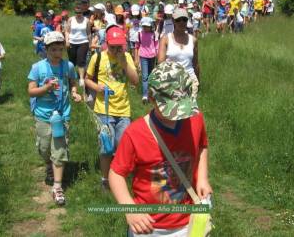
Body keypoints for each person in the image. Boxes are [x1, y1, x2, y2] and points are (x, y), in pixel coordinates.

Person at [109, 61, 212, 237]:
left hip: (189, 222)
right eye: (171, 109)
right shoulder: (135, 133)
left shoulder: (195, 119)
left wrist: (202, 178)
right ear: (151, 98)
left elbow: (202, 146)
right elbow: (116, 173)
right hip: (149, 227)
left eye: (182, 106)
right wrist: (130, 208)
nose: (178, 115)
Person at [28, 31, 82, 205]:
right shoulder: (38, 67)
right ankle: (48, 164)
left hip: (62, 115)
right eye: (53, 50)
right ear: (46, 49)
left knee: (59, 149)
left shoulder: (69, 66)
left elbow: (72, 82)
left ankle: (57, 187)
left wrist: (74, 93)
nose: (57, 53)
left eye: (60, 49)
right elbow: (31, 90)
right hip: (43, 116)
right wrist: (46, 88)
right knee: (44, 148)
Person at [85, 25, 139, 189]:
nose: (116, 49)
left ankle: (119, 178)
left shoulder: (127, 57)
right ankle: (105, 180)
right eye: (113, 46)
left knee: (122, 146)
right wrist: (96, 88)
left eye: (119, 46)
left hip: (123, 110)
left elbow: (135, 81)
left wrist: (124, 63)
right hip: (104, 110)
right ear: (106, 43)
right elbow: (87, 79)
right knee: (106, 147)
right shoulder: (98, 58)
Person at [158, 8, 199, 99]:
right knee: (173, 111)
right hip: (172, 81)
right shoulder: (165, 39)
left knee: (189, 111)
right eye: (178, 20)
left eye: (184, 19)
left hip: (190, 80)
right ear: (173, 21)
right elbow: (161, 63)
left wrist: (197, 81)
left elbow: (196, 63)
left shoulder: (193, 40)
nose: (181, 22)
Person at [65, 4, 91, 87]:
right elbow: (67, 31)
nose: (78, 14)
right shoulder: (70, 20)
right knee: (72, 61)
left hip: (83, 42)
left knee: (81, 60)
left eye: (79, 12)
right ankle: (71, 77)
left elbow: (89, 33)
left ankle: (81, 79)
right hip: (72, 42)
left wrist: (90, 44)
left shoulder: (86, 20)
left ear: (82, 12)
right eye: (76, 12)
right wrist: (67, 41)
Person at [135, 17, 158, 104]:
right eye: (144, 26)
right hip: (143, 56)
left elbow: (156, 46)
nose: (145, 28)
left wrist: (157, 55)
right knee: (145, 77)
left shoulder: (154, 34)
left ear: (151, 26)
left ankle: (151, 93)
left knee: (151, 76)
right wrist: (136, 59)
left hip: (152, 56)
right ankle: (145, 95)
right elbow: (137, 46)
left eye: (147, 26)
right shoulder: (139, 34)